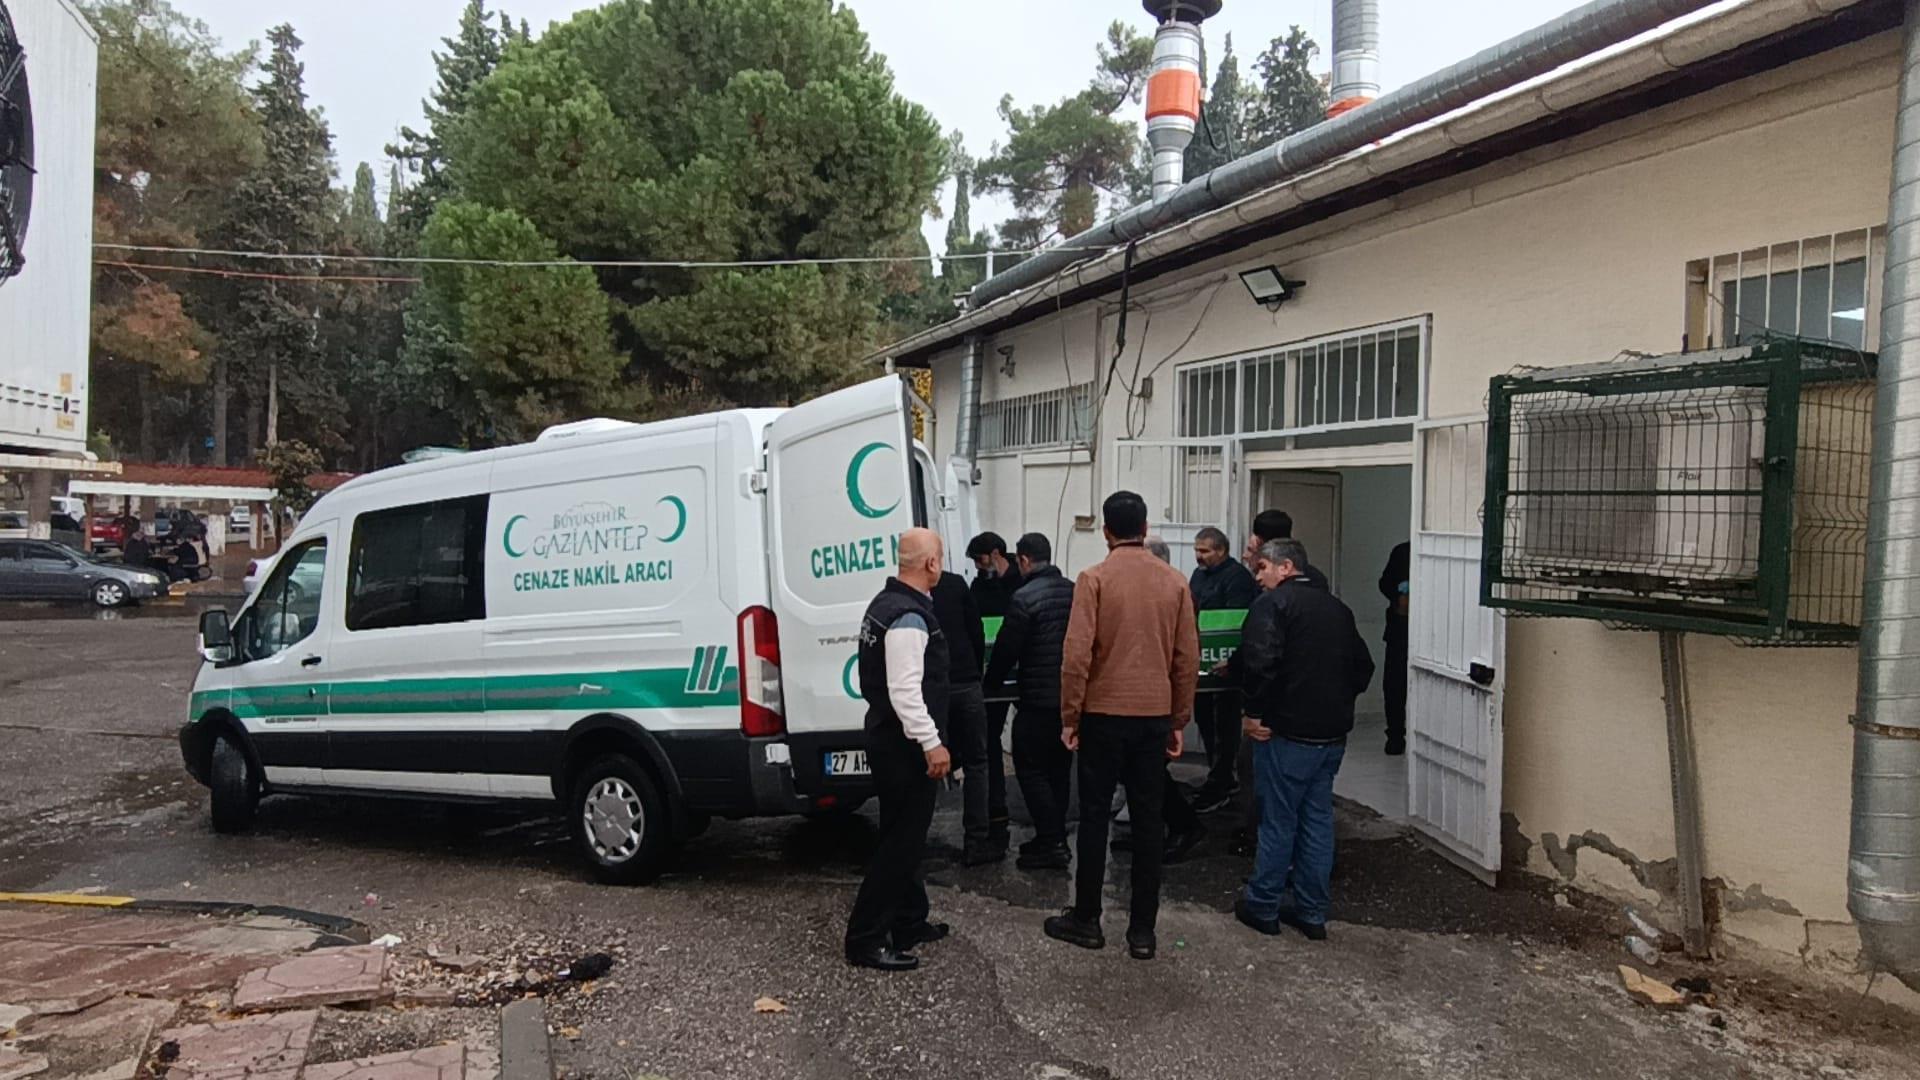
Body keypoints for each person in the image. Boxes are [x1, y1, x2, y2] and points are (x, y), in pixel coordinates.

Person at [1045, 492, 1199, 962]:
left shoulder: (1093, 579)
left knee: (1094, 817)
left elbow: (1076, 656)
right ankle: (1142, 931)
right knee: (1149, 821)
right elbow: (1186, 658)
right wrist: (1178, 718)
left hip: (1102, 714)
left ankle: (1087, 918)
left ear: (1106, 531)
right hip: (1153, 715)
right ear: (1145, 528)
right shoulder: (1175, 582)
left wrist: (1070, 716)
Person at [1233, 538, 1375, 943]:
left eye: (1262, 568)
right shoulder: (1338, 609)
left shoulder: (1273, 605)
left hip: (1286, 733)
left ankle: (1263, 905)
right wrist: (1335, 702)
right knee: (1317, 820)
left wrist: (1254, 712)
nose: (1258, 577)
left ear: (1286, 567)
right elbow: (1363, 667)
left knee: (1279, 821)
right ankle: (1312, 911)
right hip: (1331, 734)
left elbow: (1260, 661)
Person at [845, 528, 955, 973]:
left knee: (901, 835)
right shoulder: (909, 617)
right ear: (931, 563)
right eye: (940, 556)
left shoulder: (885, 604)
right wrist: (932, 742)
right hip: (904, 746)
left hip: (888, 738)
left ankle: (909, 921)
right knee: (900, 845)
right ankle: (865, 940)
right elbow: (906, 692)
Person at [980, 532, 1076, 870]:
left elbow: (1007, 649)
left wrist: (990, 683)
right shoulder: (1074, 591)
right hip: (1070, 700)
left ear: (1023, 560)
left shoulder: (1023, 598)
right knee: (1060, 770)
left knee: (1030, 768)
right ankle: (1053, 835)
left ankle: (1052, 841)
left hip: (1036, 701)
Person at [1139, 535, 1206, 864]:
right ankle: (1153, 831)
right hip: (1151, 689)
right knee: (1143, 770)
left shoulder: (1174, 590)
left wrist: (1180, 709)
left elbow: (1185, 652)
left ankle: (1184, 826)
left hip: (1160, 692)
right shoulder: (1166, 588)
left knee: (1149, 769)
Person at [1188, 526, 1258, 813]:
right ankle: (1218, 777)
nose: (1198, 556)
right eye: (1196, 550)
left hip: (1225, 668)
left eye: (1204, 551)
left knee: (1223, 727)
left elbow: (1236, 623)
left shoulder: (1237, 578)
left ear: (1221, 550)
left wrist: (1229, 659)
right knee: (1206, 722)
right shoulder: (1198, 575)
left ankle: (1222, 782)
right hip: (1202, 665)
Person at [930, 567, 998, 864]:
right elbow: (976, 629)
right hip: (966, 682)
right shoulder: (956, 584)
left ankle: (915, 841)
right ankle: (976, 840)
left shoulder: (911, 589)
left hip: (933, 686)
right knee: (977, 763)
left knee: (926, 760)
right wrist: (975, 670)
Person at [966, 531, 1022, 848]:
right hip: (992, 676)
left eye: (980, 559)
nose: (977, 565)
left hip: (1019, 674)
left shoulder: (1019, 582)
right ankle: (996, 808)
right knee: (989, 740)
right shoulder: (978, 587)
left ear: (996, 554)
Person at [1379, 541, 1411, 756]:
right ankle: (1395, 735)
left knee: (1396, 685)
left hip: (1423, 627)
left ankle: (1397, 736)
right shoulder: (1403, 552)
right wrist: (1398, 596)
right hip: (1399, 628)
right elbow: (1385, 583)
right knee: (1394, 685)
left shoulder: (1404, 551)